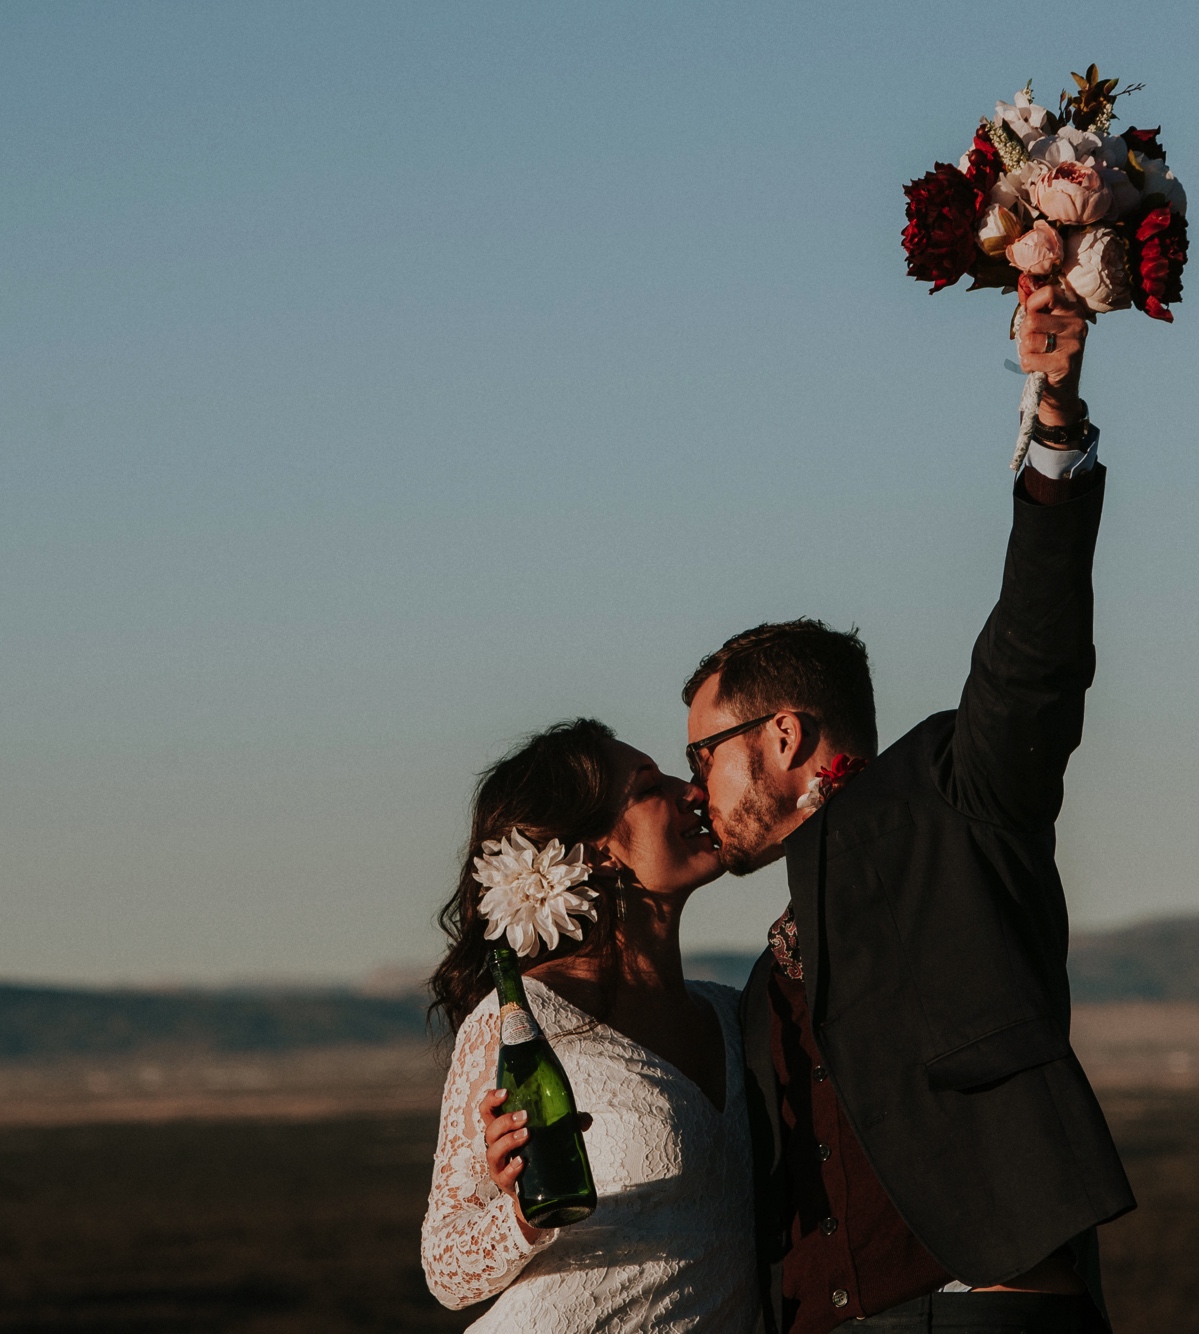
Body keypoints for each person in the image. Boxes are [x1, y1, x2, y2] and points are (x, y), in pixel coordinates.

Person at [683, 280, 1133, 1333]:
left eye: (702, 754)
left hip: (989, 1303)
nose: (695, 790)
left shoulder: (949, 797)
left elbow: (1033, 656)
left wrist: (1052, 426)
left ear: (782, 737)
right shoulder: (762, 986)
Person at [420, 719, 760, 1333]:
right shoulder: (525, 1021)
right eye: (651, 784)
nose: (693, 791)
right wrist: (525, 1212)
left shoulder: (738, 1016)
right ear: (598, 850)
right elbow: (445, 1271)